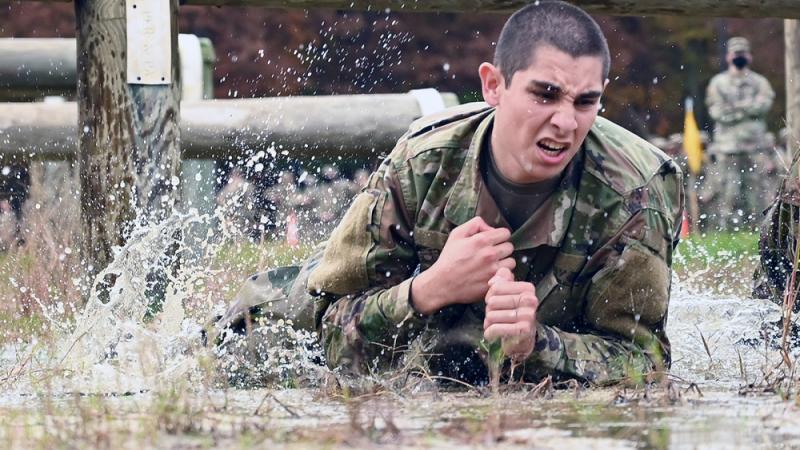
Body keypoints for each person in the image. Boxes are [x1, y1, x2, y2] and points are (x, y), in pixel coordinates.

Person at [214, 1, 684, 386]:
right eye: (545, 95)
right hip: (335, 308)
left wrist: (538, 344)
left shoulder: (634, 192)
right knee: (245, 346)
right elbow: (332, 330)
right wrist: (430, 288)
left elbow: (645, 361)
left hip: (508, 342)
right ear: (493, 85)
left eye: (586, 102)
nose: (566, 122)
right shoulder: (424, 162)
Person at [705, 37, 775, 230]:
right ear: (729, 57)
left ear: (749, 56)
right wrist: (747, 108)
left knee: (758, 189)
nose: (739, 57)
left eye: (742, 54)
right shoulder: (717, 83)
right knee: (728, 189)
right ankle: (726, 228)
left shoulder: (760, 82)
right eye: (736, 54)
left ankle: (760, 228)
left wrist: (734, 109)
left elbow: (763, 106)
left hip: (755, 146)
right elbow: (717, 112)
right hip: (728, 147)